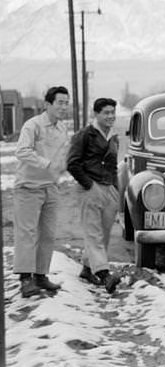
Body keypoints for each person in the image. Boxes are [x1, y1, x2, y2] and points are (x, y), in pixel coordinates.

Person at [13, 86, 72, 298]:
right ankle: (25, 279)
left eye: (66, 103)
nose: (64, 107)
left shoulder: (62, 129)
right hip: (28, 188)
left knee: (47, 234)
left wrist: (62, 169)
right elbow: (21, 151)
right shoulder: (33, 125)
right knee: (27, 234)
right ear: (47, 104)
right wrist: (46, 163)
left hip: (50, 188)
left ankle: (40, 275)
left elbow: (63, 155)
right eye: (60, 102)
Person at [67, 97, 121, 293]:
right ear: (96, 114)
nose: (110, 116)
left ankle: (87, 269)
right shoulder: (84, 135)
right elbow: (72, 163)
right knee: (94, 234)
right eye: (106, 113)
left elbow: (114, 166)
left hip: (109, 190)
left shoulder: (114, 137)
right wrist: (89, 184)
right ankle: (105, 275)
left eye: (112, 112)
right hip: (90, 189)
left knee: (104, 234)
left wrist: (116, 189)